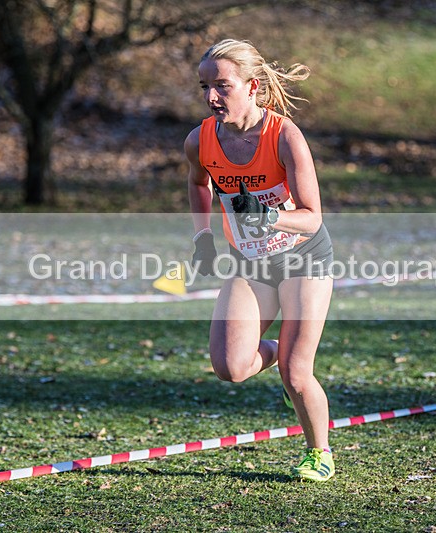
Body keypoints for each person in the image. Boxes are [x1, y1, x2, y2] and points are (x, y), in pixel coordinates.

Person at [185, 39, 335, 482]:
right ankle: (277, 354)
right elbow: (198, 183)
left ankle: (319, 453)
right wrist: (203, 238)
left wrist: (268, 215)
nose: (212, 97)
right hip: (249, 263)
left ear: (252, 87)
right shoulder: (199, 139)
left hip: (302, 259)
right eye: (205, 86)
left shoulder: (284, 136)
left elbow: (311, 219)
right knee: (229, 368)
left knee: (297, 372)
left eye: (223, 86)